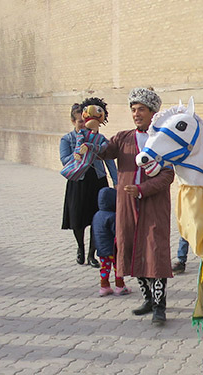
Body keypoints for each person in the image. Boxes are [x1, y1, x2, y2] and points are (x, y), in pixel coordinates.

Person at [98, 87, 174, 325]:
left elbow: (167, 175)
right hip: (127, 205)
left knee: (155, 252)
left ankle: (160, 306)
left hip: (154, 204)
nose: (136, 113)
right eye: (133, 109)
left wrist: (143, 190)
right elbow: (104, 152)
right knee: (131, 249)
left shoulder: (164, 140)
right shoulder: (122, 138)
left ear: (153, 113)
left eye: (141, 109)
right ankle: (148, 299)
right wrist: (90, 133)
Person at [60, 101, 117, 268]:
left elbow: (110, 162)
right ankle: (80, 247)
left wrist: (116, 183)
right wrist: (77, 153)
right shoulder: (67, 139)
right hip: (78, 181)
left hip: (98, 181)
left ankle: (92, 254)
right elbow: (65, 160)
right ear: (73, 122)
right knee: (77, 218)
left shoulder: (100, 140)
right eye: (79, 122)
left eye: (85, 122)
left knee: (96, 218)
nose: (83, 125)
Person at [92, 187, 130, 296]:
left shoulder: (97, 215)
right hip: (113, 249)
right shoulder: (112, 216)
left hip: (101, 248)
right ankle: (120, 286)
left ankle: (104, 287)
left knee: (104, 267)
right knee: (118, 267)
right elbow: (117, 232)